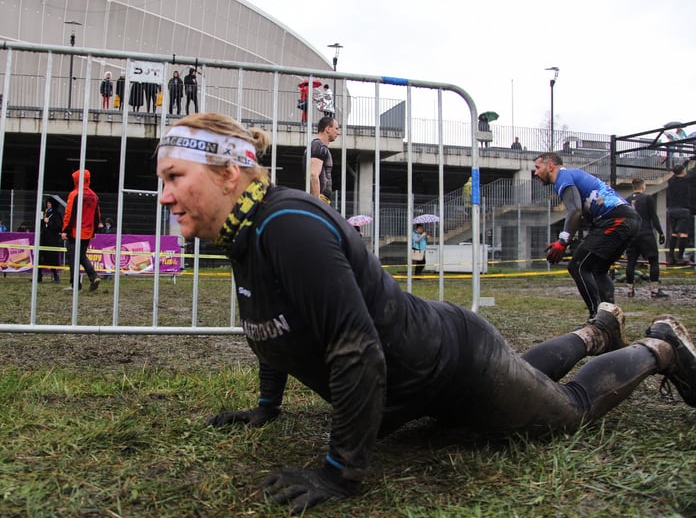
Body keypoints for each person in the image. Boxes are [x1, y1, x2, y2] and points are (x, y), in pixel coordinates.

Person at [156, 113, 696, 515]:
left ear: (230, 174)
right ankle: (598, 330)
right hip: (419, 382)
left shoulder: (288, 225)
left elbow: (357, 349)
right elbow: (273, 324)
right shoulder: (244, 232)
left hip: (455, 361)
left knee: (569, 410)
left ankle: (659, 346)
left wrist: (339, 473)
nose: (164, 196)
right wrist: (265, 407)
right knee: (523, 378)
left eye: (175, 176)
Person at [533, 152, 639, 322]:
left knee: (578, 266)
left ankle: (597, 319)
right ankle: (609, 319)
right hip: (629, 220)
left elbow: (575, 210)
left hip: (616, 220)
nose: (535, 172)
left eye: (538, 167)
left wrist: (563, 241)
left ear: (550, 166)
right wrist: (566, 240)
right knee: (599, 269)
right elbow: (580, 215)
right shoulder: (574, 175)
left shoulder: (563, 177)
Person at [60, 169, 102, 292]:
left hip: (74, 231)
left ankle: (76, 285)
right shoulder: (94, 196)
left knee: (73, 258)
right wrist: (94, 231)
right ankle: (93, 277)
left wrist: (65, 230)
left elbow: (69, 214)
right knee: (81, 255)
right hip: (87, 231)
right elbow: (97, 215)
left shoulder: (74, 194)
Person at [625, 178, 667, 299]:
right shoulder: (647, 198)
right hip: (645, 233)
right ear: (643, 187)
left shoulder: (626, 200)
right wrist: (660, 232)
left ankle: (630, 290)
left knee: (631, 262)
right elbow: (654, 217)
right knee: (653, 261)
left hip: (632, 234)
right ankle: (654, 290)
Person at [666, 163, 696, 265]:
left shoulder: (671, 181)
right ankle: (680, 257)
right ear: (683, 171)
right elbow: (694, 172)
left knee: (674, 233)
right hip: (683, 210)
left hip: (672, 210)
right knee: (683, 234)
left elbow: (675, 172)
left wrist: (686, 162)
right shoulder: (686, 180)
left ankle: (671, 257)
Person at [308, 116, 340, 204]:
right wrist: (317, 203)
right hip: (320, 199)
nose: (338, 133)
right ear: (328, 129)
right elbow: (313, 174)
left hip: (322, 199)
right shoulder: (319, 146)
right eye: (336, 129)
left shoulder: (318, 146)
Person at [38, 195, 63, 284]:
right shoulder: (45, 213)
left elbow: (58, 226)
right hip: (44, 238)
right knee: (40, 257)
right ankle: (38, 276)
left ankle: (55, 276)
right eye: (47, 203)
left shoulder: (56, 214)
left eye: (49, 203)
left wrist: (49, 222)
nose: (48, 205)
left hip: (52, 239)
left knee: (52, 258)